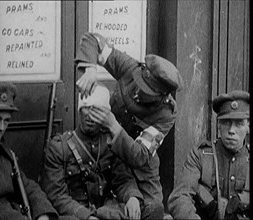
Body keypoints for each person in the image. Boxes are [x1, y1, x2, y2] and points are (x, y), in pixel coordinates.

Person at [74, 31, 183, 216]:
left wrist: (113, 125)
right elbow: (92, 39)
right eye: (139, 84)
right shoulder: (129, 67)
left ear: (162, 96)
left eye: (146, 92)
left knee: (153, 210)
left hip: (141, 169)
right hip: (107, 155)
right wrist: (91, 68)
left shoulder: (166, 114)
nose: (137, 93)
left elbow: (140, 155)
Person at [40, 84, 164, 220]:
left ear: (105, 115)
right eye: (86, 108)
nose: (90, 115)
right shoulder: (59, 147)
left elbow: (122, 179)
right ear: (79, 111)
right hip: (76, 214)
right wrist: (87, 216)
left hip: (106, 210)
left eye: (97, 110)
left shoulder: (110, 142)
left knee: (152, 209)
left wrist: (132, 197)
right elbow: (57, 196)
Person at [0, 82, 61, 220]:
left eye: (6, 121)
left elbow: (28, 186)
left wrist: (43, 213)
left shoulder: (4, 150)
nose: (1, 127)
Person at [167, 90, 250, 220]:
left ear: (248, 126)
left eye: (239, 123)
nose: (231, 130)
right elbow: (179, 198)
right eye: (226, 122)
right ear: (218, 125)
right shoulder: (200, 154)